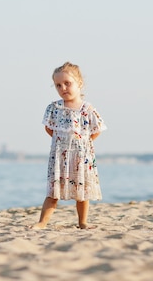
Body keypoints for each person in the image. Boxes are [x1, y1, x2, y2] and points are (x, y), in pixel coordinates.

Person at [31, 62, 107, 230]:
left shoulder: (87, 109)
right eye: (58, 85)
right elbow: (49, 128)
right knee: (53, 192)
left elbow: (97, 129)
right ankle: (42, 222)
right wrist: (62, 143)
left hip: (81, 156)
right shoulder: (54, 108)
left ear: (79, 83)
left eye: (67, 83)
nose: (63, 88)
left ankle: (82, 222)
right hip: (60, 156)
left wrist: (84, 142)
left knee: (81, 194)